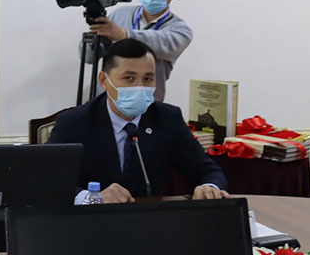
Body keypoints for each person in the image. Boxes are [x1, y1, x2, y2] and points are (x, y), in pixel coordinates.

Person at [51, 38, 227, 203]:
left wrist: (209, 187)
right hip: (92, 219)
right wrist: (93, 198)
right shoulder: (74, 122)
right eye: (129, 78)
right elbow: (49, 181)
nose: (139, 87)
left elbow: (207, 170)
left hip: (149, 219)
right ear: (104, 80)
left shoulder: (167, 118)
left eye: (148, 79)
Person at [82, 0, 192, 101]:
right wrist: (95, 39)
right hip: (108, 100)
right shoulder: (119, 15)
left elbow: (160, 43)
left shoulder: (180, 30)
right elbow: (88, 58)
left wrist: (124, 35)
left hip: (146, 103)